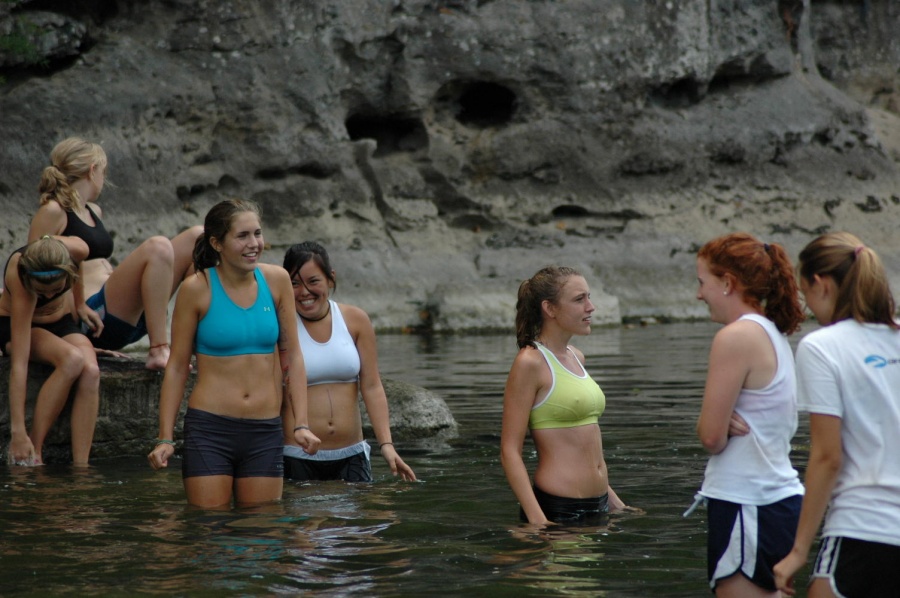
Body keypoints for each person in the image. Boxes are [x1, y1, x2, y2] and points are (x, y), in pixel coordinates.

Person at [147, 199, 320, 508]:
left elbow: (293, 357)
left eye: (257, 233)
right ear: (217, 243)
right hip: (210, 429)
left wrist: (301, 424)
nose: (254, 244)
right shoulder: (196, 288)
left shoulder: (277, 280)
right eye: (242, 236)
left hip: (265, 430)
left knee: (263, 526)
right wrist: (165, 438)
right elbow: (177, 367)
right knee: (210, 526)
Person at [774, 233, 900, 597]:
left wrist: (798, 551)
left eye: (806, 295)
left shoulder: (822, 347)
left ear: (821, 284)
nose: (809, 310)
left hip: (862, 526)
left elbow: (828, 457)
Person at [693, 232, 806, 596]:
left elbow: (711, 437)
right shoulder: (771, 333)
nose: (698, 294)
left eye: (702, 282)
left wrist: (713, 419)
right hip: (775, 502)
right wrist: (719, 417)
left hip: (747, 502)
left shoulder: (736, 336)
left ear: (728, 282)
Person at [28, 137, 203, 370]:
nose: (104, 179)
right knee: (158, 247)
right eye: (104, 172)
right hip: (94, 319)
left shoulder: (93, 210)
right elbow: (31, 270)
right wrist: (69, 338)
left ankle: (196, 346)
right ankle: (159, 349)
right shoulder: (53, 211)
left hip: (128, 311)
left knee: (198, 238)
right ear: (93, 171)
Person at [500, 265, 626, 526]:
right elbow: (509, 451)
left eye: (589, 297)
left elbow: (584, 446)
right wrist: (538, 521)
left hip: (601, 504)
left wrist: (616, 503)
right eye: (579, 299)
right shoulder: (530, 362)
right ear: (550, 308)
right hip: (557, 510)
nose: (591, 307)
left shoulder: (576, 356)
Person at [280, 241, 416, 482]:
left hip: (352, 454)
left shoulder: (355, 320)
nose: (304, 292)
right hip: (297, 453)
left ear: (330, 279)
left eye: (313, 281)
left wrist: (386, 444)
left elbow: (372, 385)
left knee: (361, 507)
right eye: (295, 283)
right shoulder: (280, 326)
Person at [1, 236, 100, 466]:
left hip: (60, 322)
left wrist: (80, 303)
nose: (47, 296)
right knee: (72, 359)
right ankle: (33, 452)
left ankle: (82, 468)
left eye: (56, 290)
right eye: (41, 292)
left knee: (91, 371)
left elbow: (79, 263)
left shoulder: (77, 250)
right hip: (15, 324)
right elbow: (20, 364)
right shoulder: (21, 277)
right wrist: (18, 432)